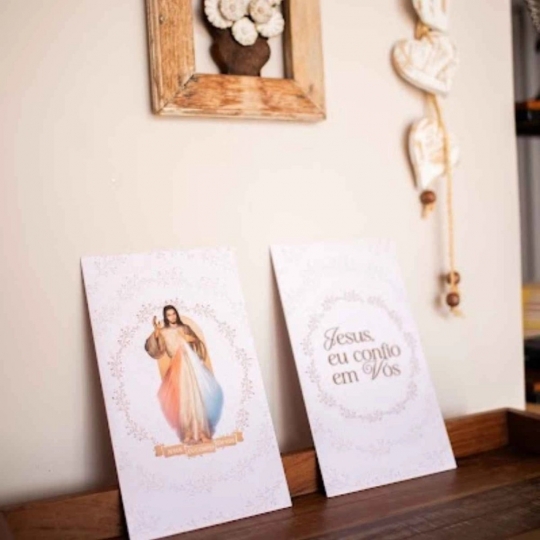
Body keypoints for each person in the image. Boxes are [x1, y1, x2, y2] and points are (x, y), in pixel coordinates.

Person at [145, 305, 223, 444]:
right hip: (177, 366)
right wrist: (156, 331)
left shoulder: (184, 328)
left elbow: (196, 341)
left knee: (195, 396)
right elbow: (155, 348)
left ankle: (202, 431)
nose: (172, 317)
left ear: (176, 314)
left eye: (173, 314)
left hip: (190, 364)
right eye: (169, 315)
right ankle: (188, 432)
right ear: (165, 317)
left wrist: (189, 340)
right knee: (183, 398)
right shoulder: (163, 331)